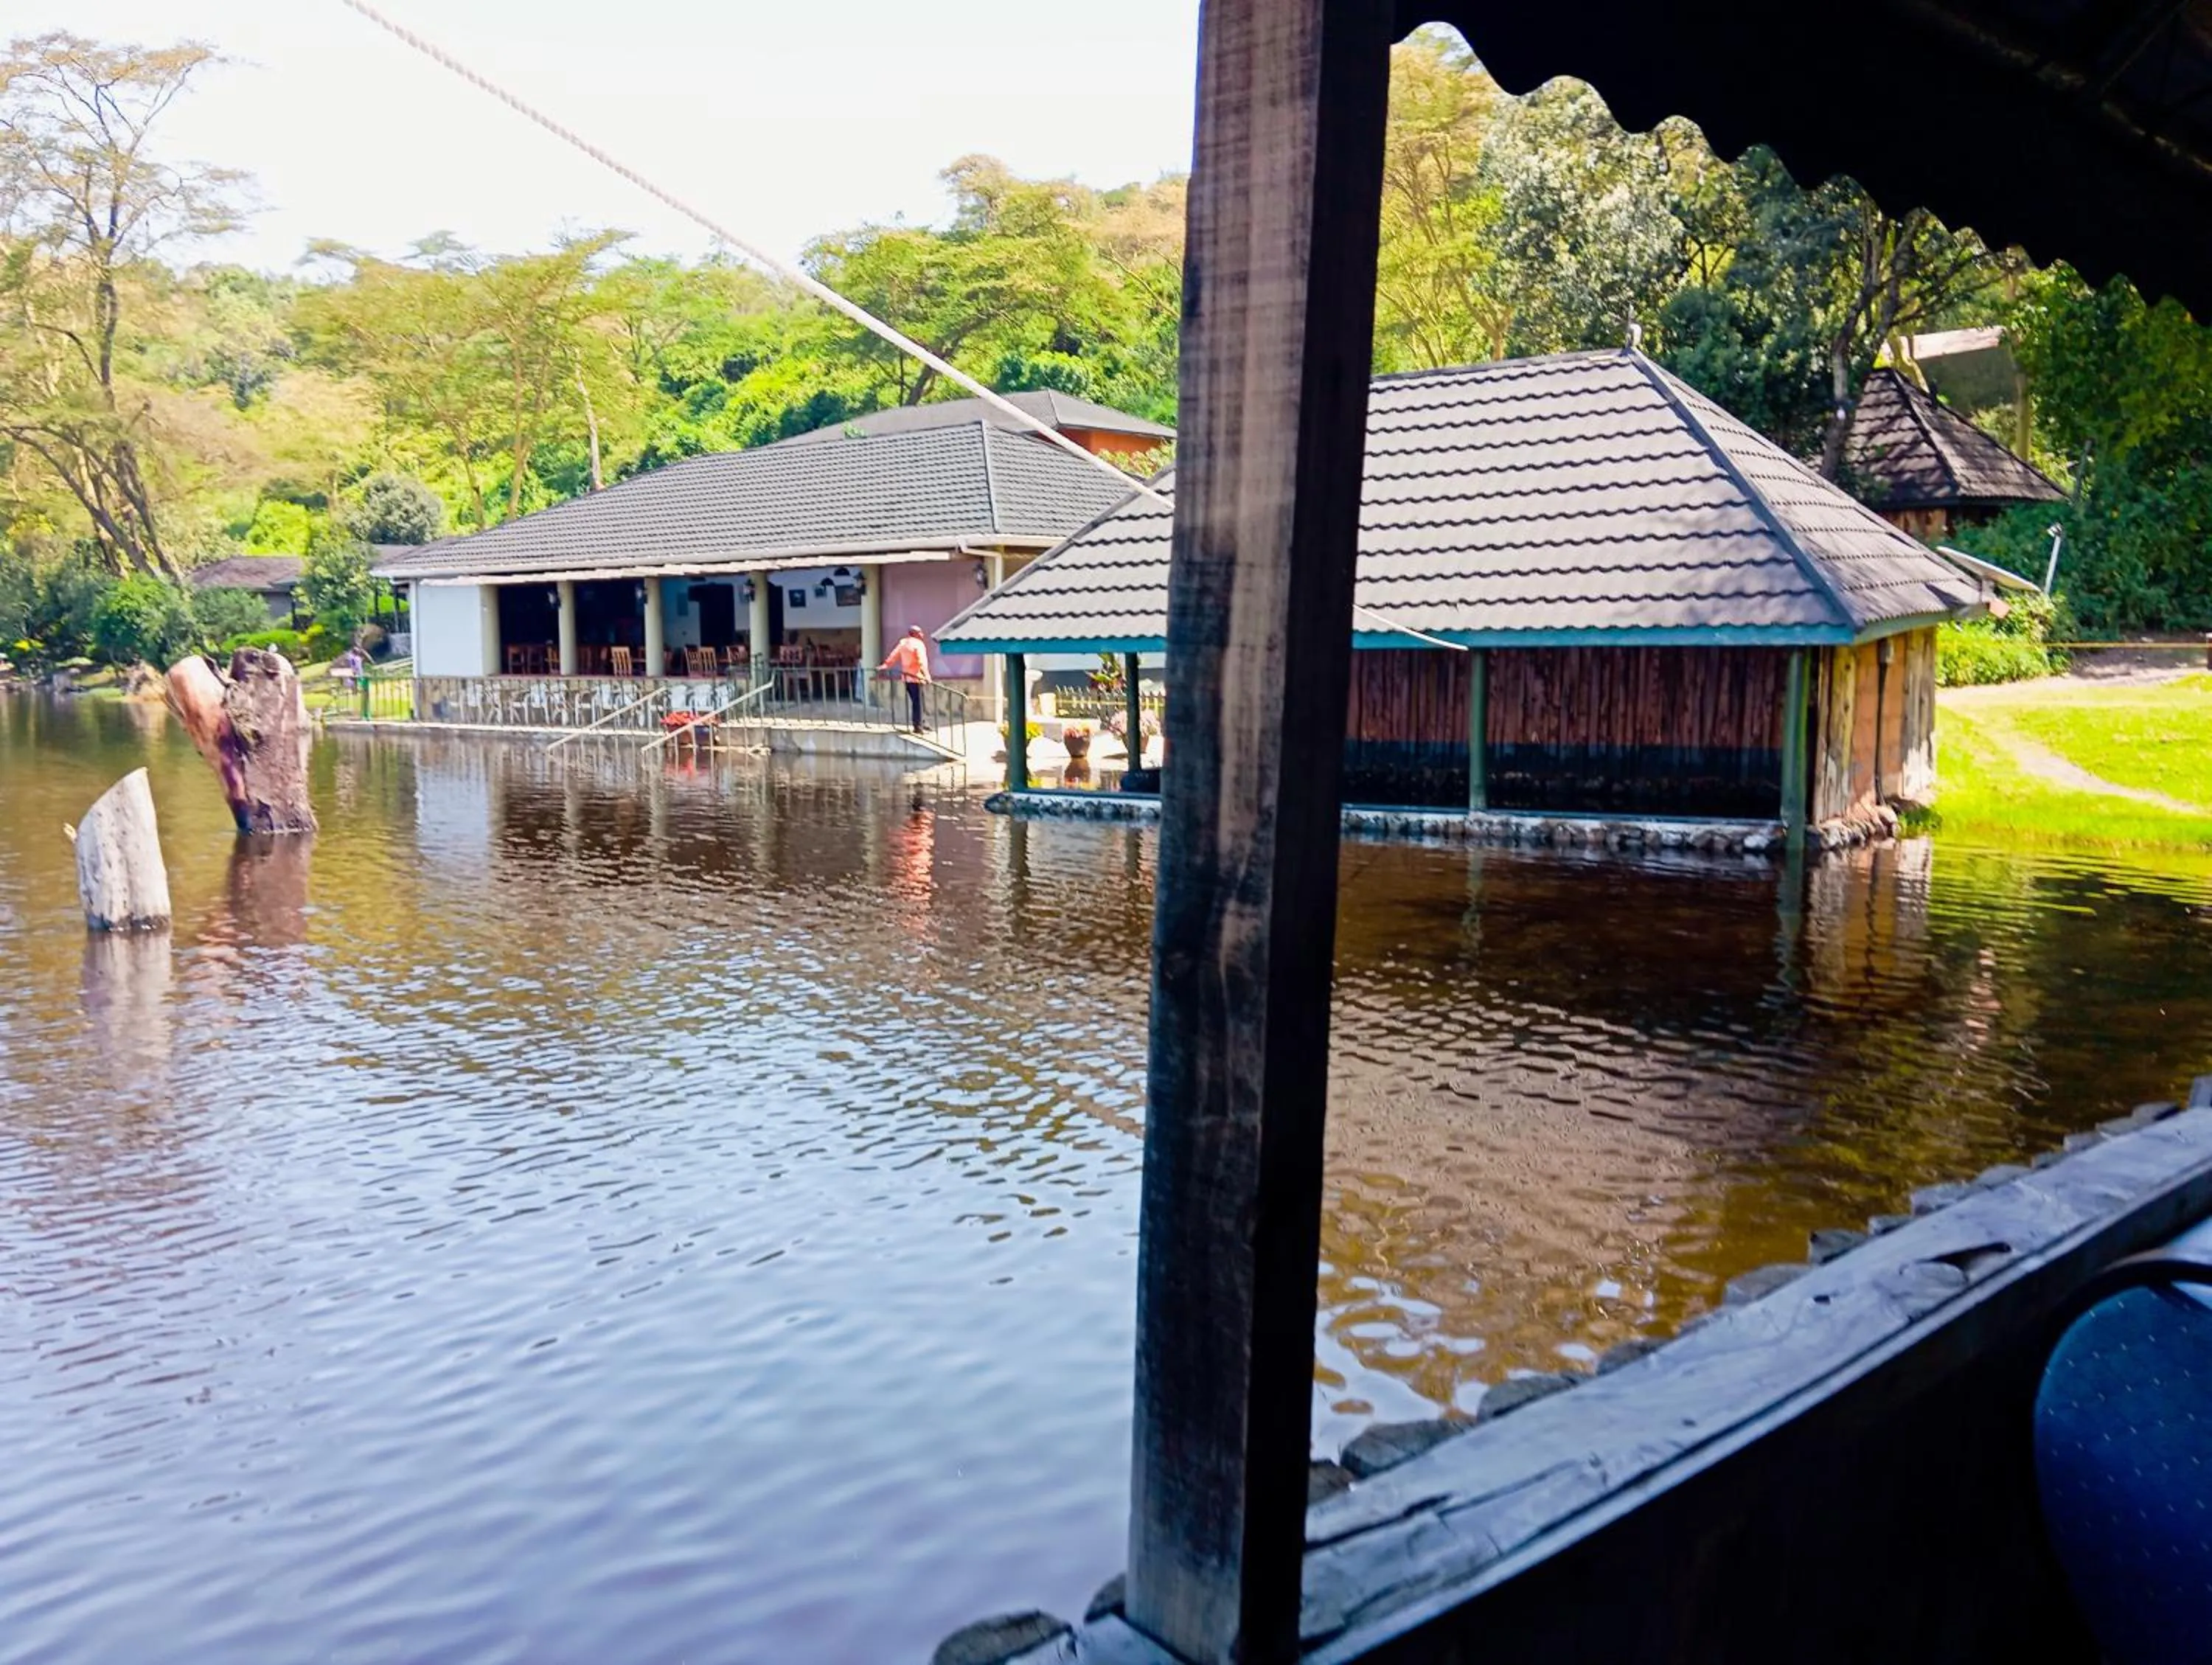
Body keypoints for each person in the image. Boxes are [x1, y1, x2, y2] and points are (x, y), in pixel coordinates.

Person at [880, 625, 931, 731]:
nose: (922, 635)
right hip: (917, 677)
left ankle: (922, 722)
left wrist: (885, 665)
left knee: (917, 701)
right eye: (920, 633)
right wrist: (927, 676)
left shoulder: (903, 643)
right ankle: (918, 726)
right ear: (915, 634)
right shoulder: (918, 644)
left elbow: (894, 655)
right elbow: (922, 661)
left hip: (907, 678)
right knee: (918, 702)